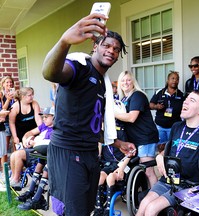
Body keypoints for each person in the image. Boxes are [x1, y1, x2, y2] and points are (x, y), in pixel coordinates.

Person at [42, 13, 136, 216]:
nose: (111, 51)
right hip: (68, 151)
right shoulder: (79, 66)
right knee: (74, 211)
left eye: (116, 49)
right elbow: (51, 73)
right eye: (107, 45)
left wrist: (117, 143)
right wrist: (64, 41)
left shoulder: (103, 82)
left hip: (90, 152)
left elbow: (93, 124)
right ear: (95, 46)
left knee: (86, 209)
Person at [136, 90, 199, 216]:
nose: (185, 101)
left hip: (188, 187)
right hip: (168, 180)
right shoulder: (177, 127)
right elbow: (167, 151)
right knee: (144, 205)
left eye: (192, 100)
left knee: (151, 209)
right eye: (186, 98)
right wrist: (159, 158)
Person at [115, 70, 159, 187]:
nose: (126, 83)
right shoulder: (124, 99)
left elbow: (131, 118)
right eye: (123, 80)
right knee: (142, 170)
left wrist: (113, 113)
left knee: (149, 171)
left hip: (145, 138)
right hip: (134, 139)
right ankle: (146, 194)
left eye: (128, 80)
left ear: (133, 82)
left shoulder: (137, 95)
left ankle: (156, 197)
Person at [9, 107, 53, 190]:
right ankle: (13, 179)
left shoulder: (54, 130)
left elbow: (45, 144)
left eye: (46, 117)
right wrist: (25, 139)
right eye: (43, 117)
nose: (44, 119)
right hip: (35, 149)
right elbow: (31, 132)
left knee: (18, 154)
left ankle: (16, 180)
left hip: (41, 153)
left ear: (54, 117)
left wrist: (34, 142)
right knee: (13, 154)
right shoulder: (44, 126)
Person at [94, 144, 131, 216]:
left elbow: (130, 152)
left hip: (121, 165)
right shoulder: (103, 137)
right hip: (108, 165)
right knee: (100, 176)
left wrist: (122, 168)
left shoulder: (122, 137)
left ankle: (108, 209)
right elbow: (99, 153)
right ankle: (99, 207)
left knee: (110, 177)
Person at [150, 71, 184, 144]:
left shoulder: (181, 95)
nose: (175, 80)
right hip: (160, 127)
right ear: (168, 80)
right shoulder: (159, 92)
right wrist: (156, 106)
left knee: (172, 148)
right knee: (160, 147)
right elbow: (150, 105)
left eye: (177, 79)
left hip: (174, 128)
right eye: (173, 78)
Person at [1, 76, 15, 152]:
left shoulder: (14, 93)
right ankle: (4, 163)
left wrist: (16, 99)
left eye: (11, 82)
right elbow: (3, 108)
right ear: (3, 84)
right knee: (5, 144)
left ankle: (15, 161)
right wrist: (8, 99)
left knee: (15, 142)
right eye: (7, 82)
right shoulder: (1, 95)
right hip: (6, 121)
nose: (9, 84)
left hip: (15, 120)